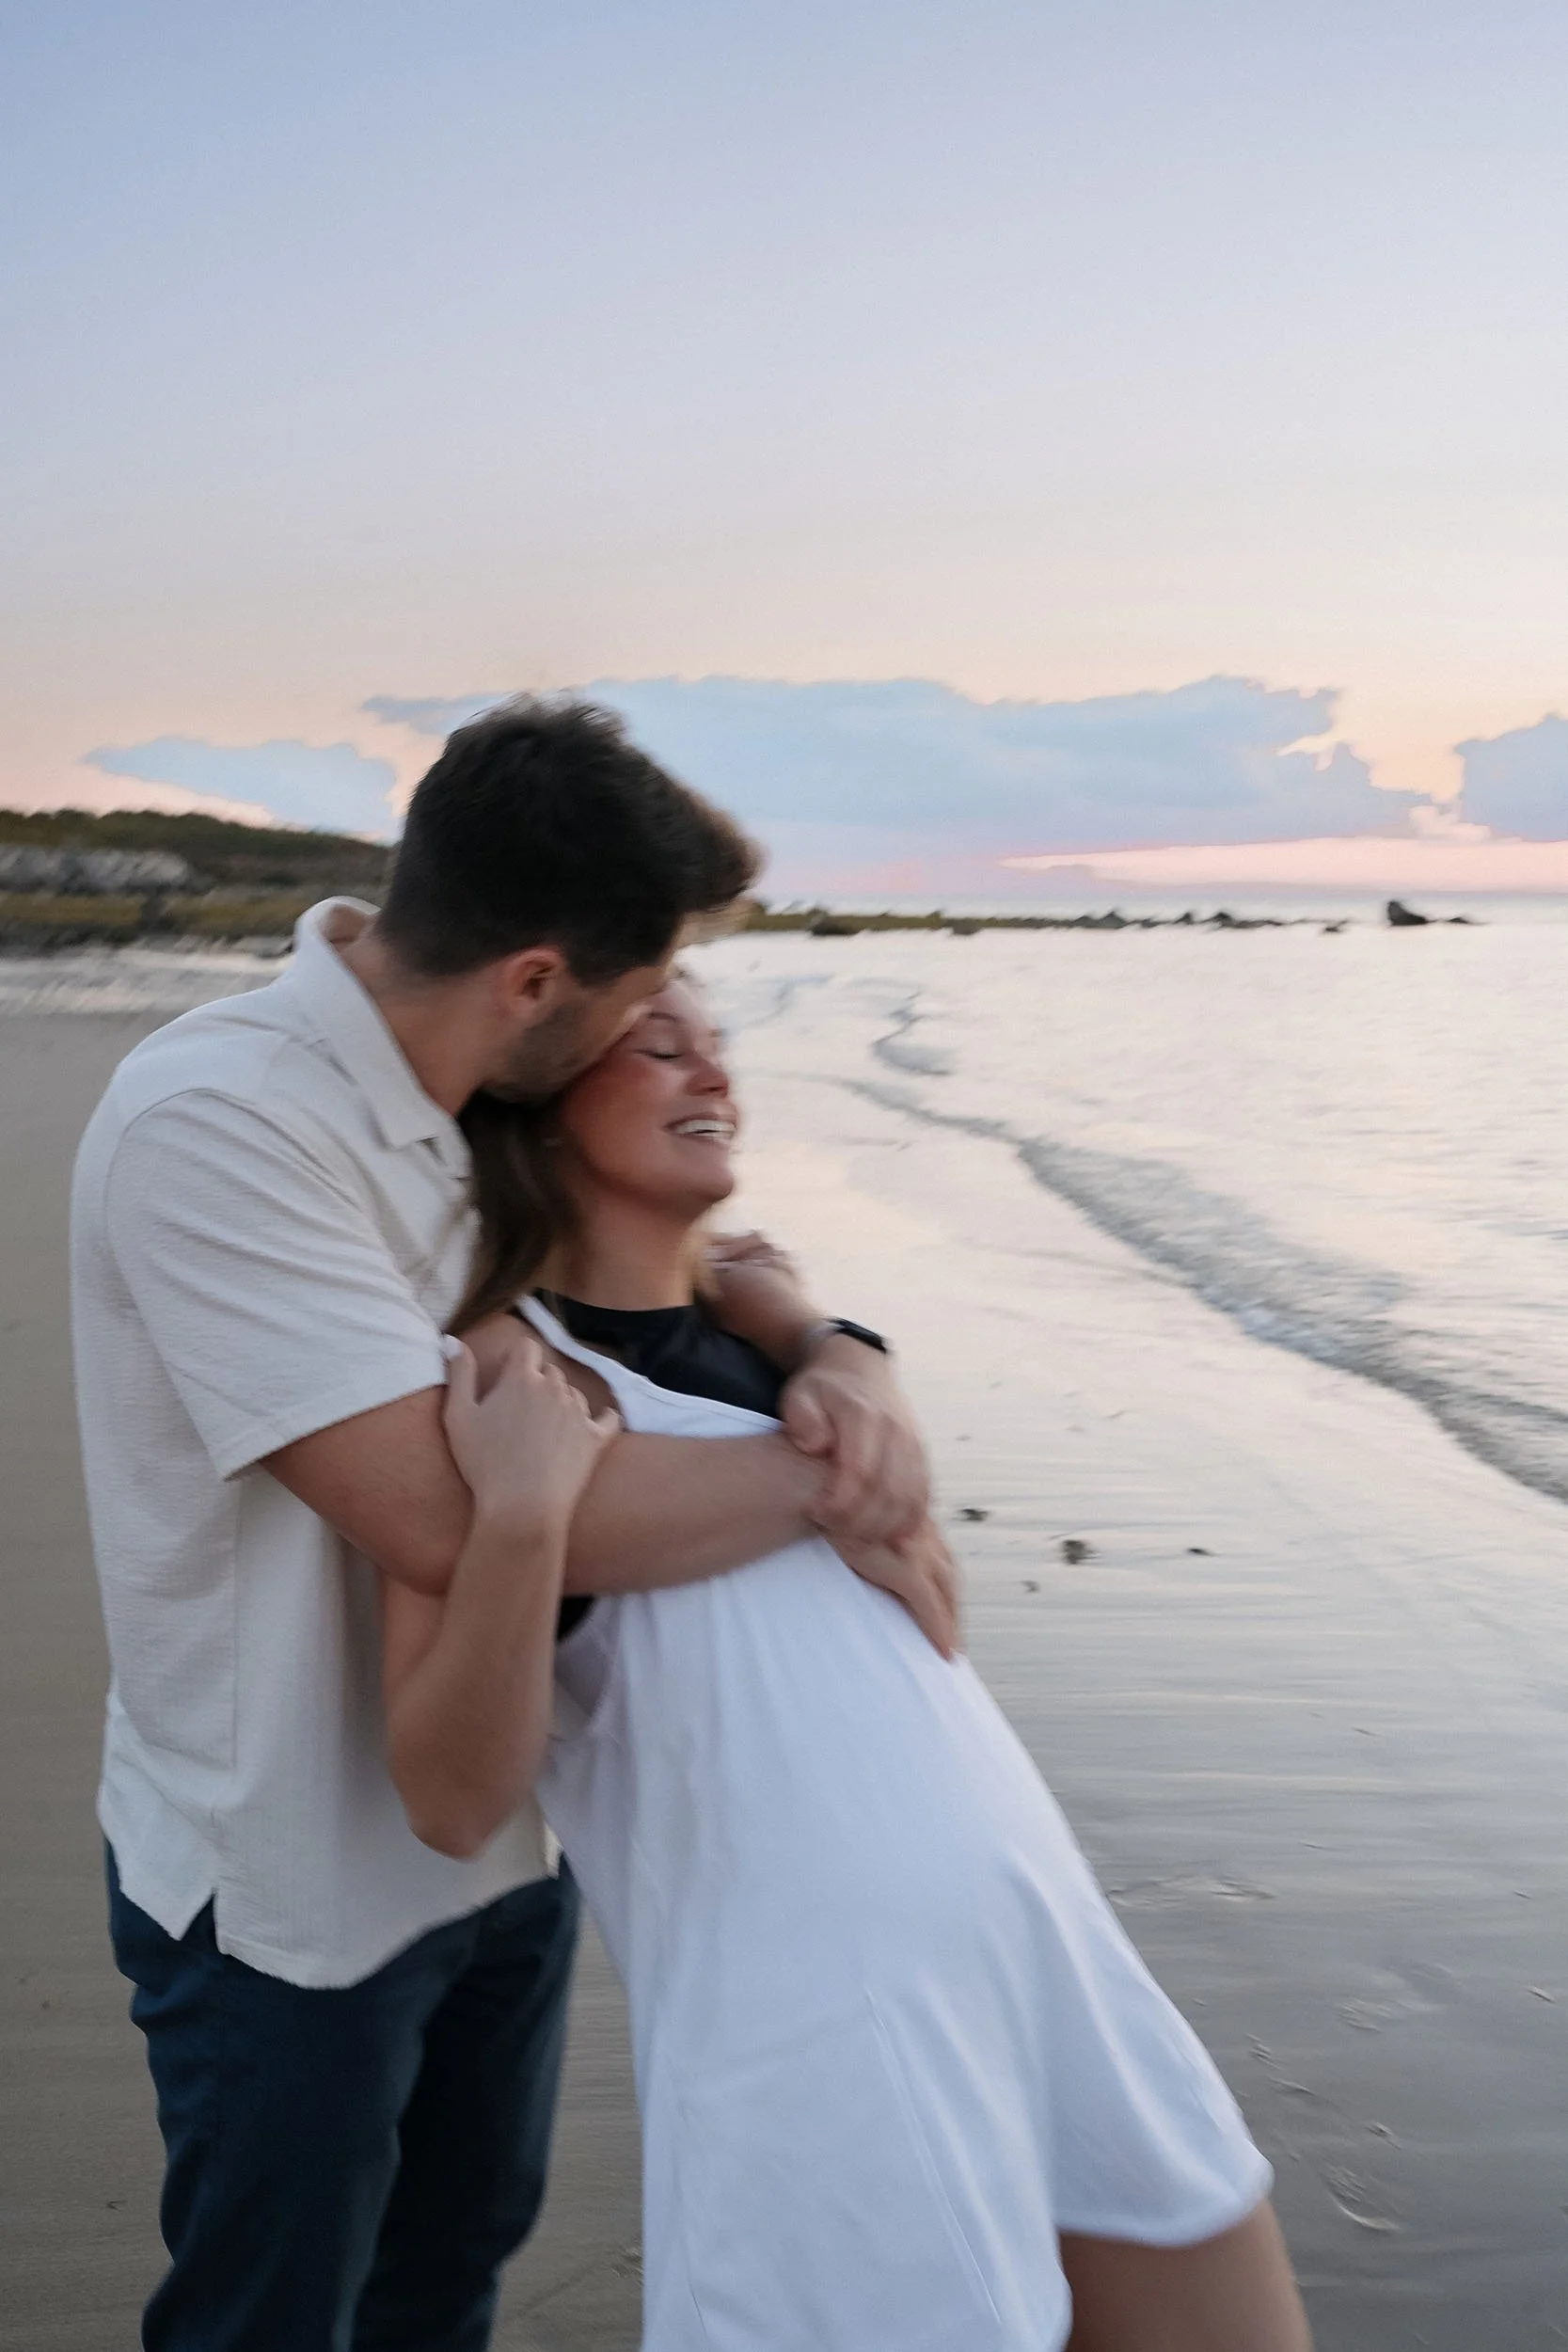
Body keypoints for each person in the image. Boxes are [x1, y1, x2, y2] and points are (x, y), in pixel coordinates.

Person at [70, 698, 946, 2352]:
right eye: (632, 999)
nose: (649, 1039)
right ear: (535, 978)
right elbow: (426, 1510)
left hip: (497, 1840)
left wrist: (841, 1353)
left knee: (445, 2291)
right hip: (288, 1878)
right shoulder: (224, 1123)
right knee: (274, 2318)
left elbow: (683, 1287)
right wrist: (840, 1477)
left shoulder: (473, 1106)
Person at [384, 971, 1315, 2352]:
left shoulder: (790, 1359)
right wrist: (524, 1516)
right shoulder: (510, 1380)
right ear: (544, 1095)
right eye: (659, 1045)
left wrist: (830, 1342)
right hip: (828, 2036)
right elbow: (452, 1798)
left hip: (1036, 1947)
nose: (712, 1074)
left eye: (719, 1046)